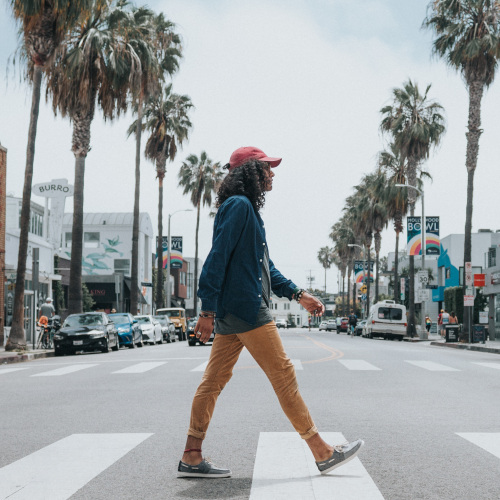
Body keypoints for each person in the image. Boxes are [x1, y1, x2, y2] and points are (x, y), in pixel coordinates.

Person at [178, 147, 364, 479]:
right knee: (283, 376)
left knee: (213, 382)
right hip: (248, 310)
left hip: (234, 311)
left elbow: (266, 269)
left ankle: (191, 455)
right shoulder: (240, 207)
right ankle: (322, 452)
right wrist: (206, 308)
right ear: (249, 172)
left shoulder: (246, 211)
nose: (272, 174)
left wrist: (299, 294)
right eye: (267, 168)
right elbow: (216, 258)